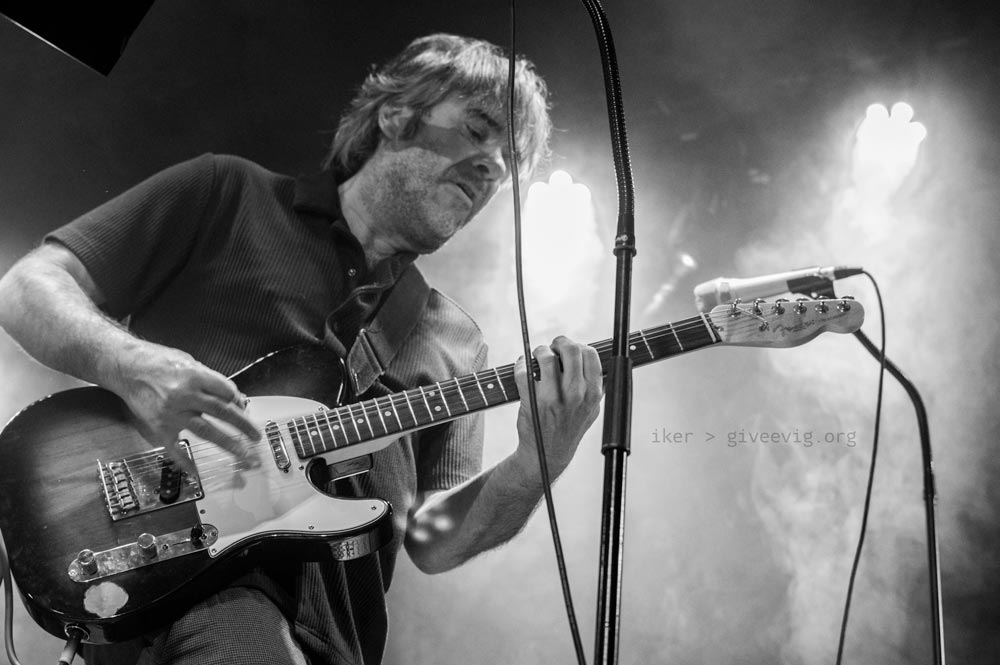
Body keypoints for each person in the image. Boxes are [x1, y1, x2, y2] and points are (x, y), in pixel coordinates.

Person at [0, 33, 603, 664]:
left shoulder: (456, 339)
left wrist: (539, 462)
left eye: (509, 158)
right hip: (180, 587)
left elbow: (433, 539)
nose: (494, 165)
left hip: (335, 643)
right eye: (480, 129)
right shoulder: (227, 194)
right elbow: (29, 287)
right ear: (396, 117)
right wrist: (130, 365)